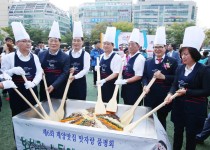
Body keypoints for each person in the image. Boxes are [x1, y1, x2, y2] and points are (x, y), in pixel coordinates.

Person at [165, 26, 210, 150]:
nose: (183, 57)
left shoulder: (203, 70)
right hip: (179, 106)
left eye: (186, 54)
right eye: (182, 54)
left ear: (194, 54)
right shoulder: (180, 68)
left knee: (191, 136)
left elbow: (207, 91)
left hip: (194, 109)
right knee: (177, 133)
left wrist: (187, 91)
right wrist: (170, 94)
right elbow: (174, 84)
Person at [1, 22, 43, 117]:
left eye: (29, 41)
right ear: (16, 43)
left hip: (32, 92)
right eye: (24, 41)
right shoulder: (9, 57)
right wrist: (11, 71)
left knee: (34, 116)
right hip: (16, 93)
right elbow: (3, 75)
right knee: (18, 118)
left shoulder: (35, 56)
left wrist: (34, 83)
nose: (28, 44)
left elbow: (39, 72)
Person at [142, 27, 178, 130]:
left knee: (162, 119)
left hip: (164, 96)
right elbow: (144, 76)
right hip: (149, 95)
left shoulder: (172, 61)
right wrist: (144, 85)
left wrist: (164, 77)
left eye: (160, 47)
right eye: (155, 47)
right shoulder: (148, 61)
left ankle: (162, 141)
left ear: (165, 47)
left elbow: (176, 78)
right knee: (149, 119)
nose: (157, 49)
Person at [38, 21, 70, 101]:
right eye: (51, 41)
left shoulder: (66, 57)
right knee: (45, 108)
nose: (53, 43)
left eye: (56, 41)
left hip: (59, 87)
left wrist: (54, 85)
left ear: (60, 42)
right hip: (44, 87)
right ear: (48, 42)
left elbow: (65, 73)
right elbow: (38, 69)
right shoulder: (41, 54)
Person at [115, 28, 145, 105]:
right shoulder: (129, 57)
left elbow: (138, 76)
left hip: (134, 89)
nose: (130, 46)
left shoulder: (140, 58)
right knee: (126, 105)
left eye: (132, 44)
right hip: (126, 88)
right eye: (129, 44)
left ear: (138, 46)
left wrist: (124, 81)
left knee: (133, 108)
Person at [97, 27, 122, 103]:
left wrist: (104, 80)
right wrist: (97, 69)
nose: (105, 45)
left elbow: (116, 73)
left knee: (111, 108)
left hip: (111, 86)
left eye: (108, 44)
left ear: (112, 45)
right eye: (104, 43)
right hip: (101, 86)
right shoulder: (101, 56)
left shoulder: (116, 57)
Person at [67, 21, 90, 100]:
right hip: (69, 81)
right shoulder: (67, 53)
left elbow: (86, 69)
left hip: (80, 82)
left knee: (81, 101)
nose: (76, 42)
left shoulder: (86, 54)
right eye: (74, 40)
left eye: (78, 40)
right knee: (69, 101)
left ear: (82, 42)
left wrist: (75, 76)